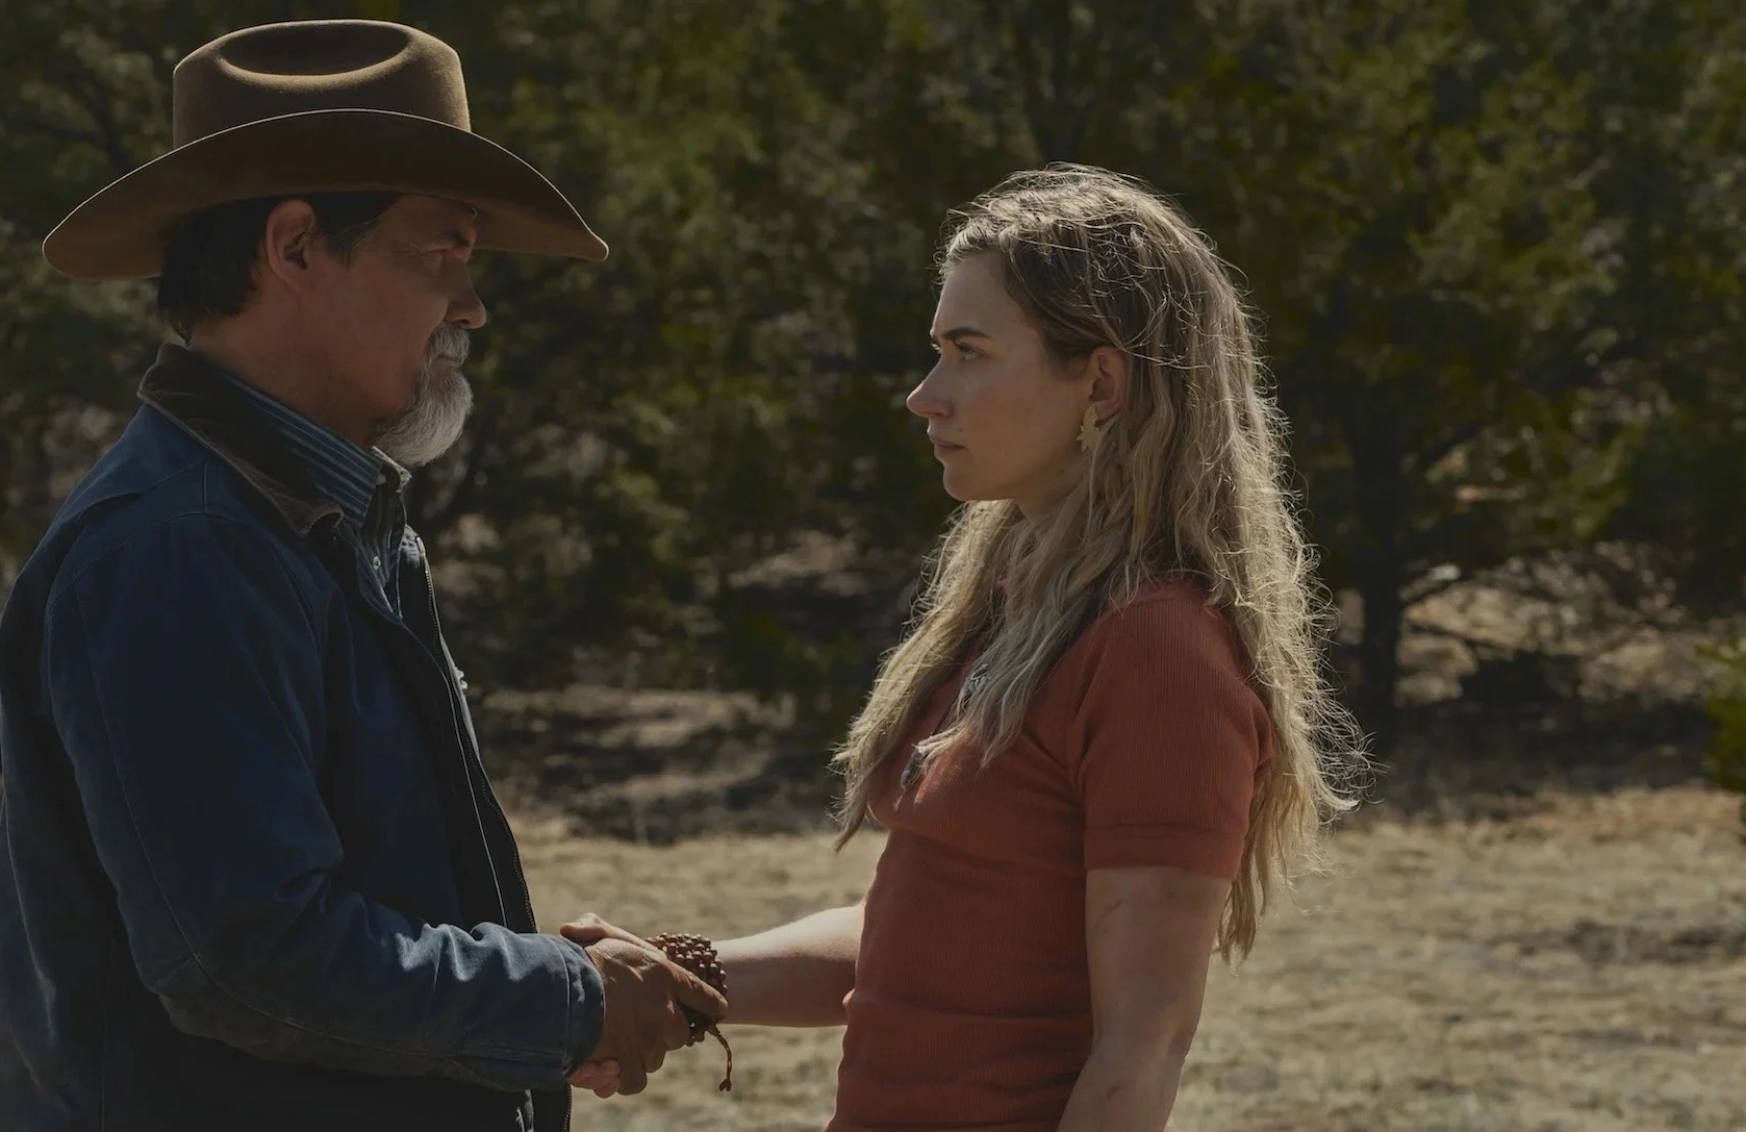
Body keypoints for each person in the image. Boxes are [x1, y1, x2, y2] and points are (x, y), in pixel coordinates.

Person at [0, 20, 723, 1132]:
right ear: (294, 248)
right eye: (443, 250)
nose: (470, 303)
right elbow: (245, 955)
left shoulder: (303, 517)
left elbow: (330, 905)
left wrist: (528, 980)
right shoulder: (179, 545)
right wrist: (560, 999)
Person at [565, 165, 1369, 1130]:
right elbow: (929, 941)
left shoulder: (1157, 652)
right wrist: (679, 979)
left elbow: (1143, 1041)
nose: (924, 396)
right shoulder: (1018, 613)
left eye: (969, 352)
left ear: (1101, 382)